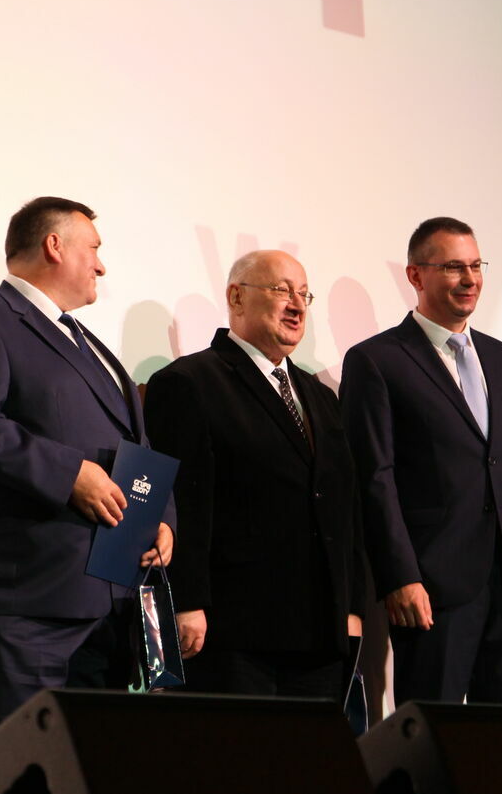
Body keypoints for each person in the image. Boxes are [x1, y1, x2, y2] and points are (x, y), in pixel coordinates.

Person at [0, 196, 175, 744]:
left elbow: (138, 446)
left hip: (110, 600)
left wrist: (161, 518)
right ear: (54, 245)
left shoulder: (92, 345)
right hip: (27, 602)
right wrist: (71, 475)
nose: (101, 266)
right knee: (23, 762)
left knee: (92, 767)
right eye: (94, 249)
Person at [340, 217, 502, 705]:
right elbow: (375, 479)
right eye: (453, 267)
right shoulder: (377, 360)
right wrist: (401, 576)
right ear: (415, 275)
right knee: (433, 732)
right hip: (432, 587)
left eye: (475, 266)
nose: (470, 279)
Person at [143, 251, 366, 699]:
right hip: (232, 631)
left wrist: (350, 605)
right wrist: (186, 602)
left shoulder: (319, 395)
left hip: (320, 633)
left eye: (304, 294)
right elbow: (182, 502)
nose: (297, 305)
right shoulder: (189, 381)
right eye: (282, 290)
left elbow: (343, 507)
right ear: (236, 297)